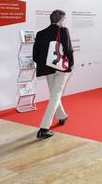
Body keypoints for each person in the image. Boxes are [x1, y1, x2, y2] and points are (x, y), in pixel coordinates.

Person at [32, 9, 74, 139]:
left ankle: (62, 116)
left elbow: (35, 56)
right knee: (55, 95)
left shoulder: (40, 33)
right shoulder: (63, 30)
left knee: (55, 95)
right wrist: (70, 64)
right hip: (61, 68)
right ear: (61, 21)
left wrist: (46, 64)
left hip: (48, 69)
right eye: (64, 20)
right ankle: (44, 128)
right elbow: (68, 49)